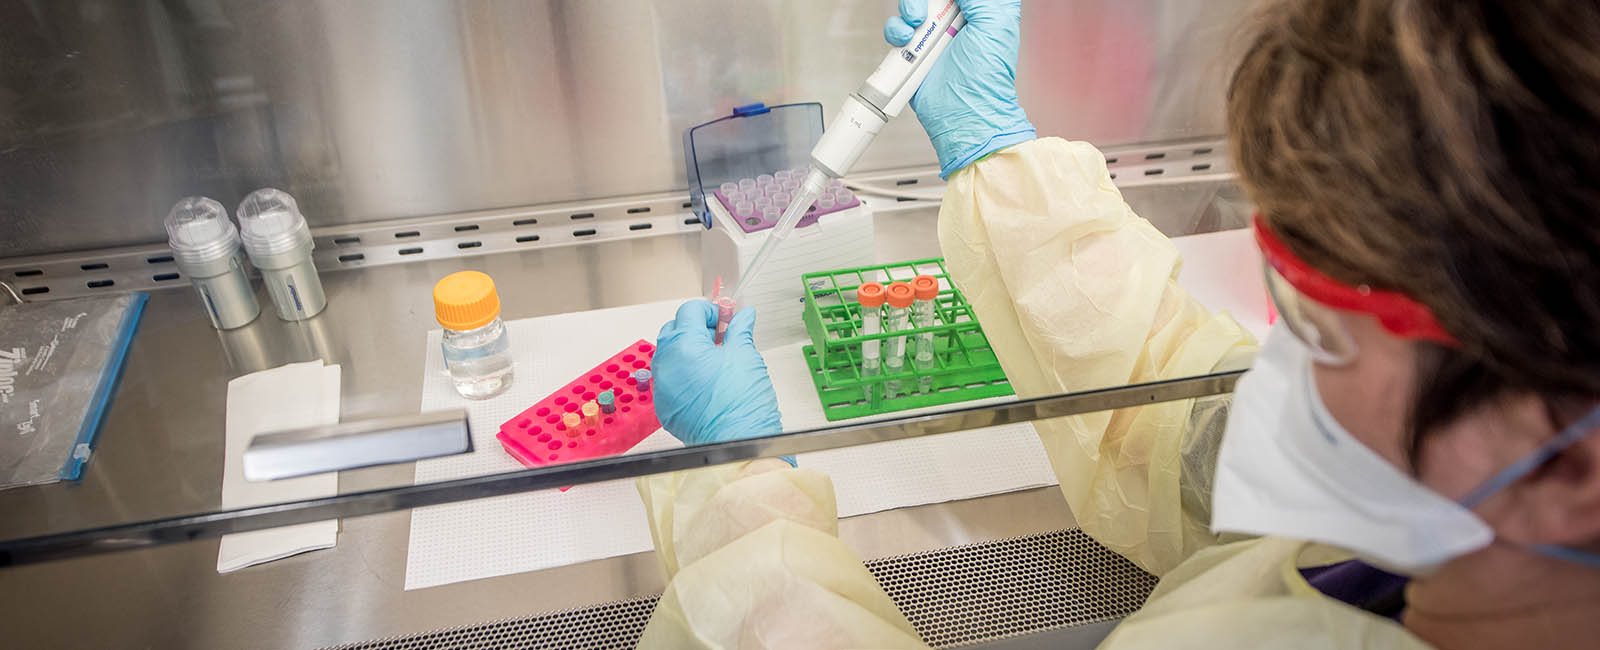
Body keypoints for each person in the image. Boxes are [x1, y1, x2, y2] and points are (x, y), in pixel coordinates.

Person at [634, 0, 1600, 647]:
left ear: (1567, 466)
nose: (1278, 374)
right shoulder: (1435, 528)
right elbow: (1170, 420)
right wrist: (994, 150)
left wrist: (740, 496)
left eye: (1322, 329)